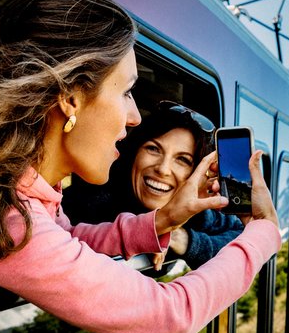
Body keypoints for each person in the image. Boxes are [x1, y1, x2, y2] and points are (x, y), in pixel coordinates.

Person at [0, 0, 279, 333]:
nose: (134, 117)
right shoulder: (5, 221)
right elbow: (169, 316)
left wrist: (163, 220)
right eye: (126, 92)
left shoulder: (9, 190)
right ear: (70, 99)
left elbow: (69, 242)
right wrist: (264, 232)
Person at [63, 102, 244, 270]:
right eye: (153, 149)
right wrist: (147, 231)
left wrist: (182, 239)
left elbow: (241, 235)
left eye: (182, 160)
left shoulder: (194, 213)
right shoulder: (85, 203)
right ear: (134, 153)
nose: (163, 169)